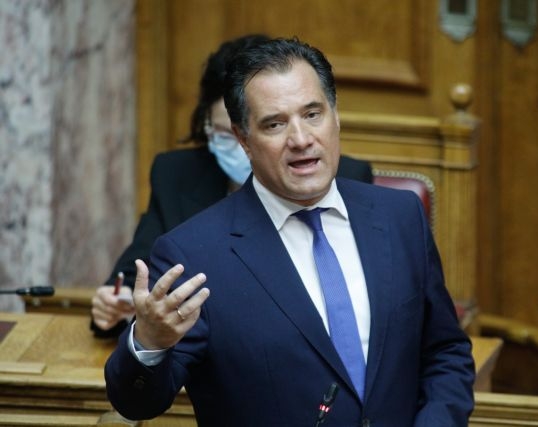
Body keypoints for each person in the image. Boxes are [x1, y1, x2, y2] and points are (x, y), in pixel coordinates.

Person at [104, 38, 475, 426]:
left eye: (312, 114)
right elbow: (137, 404)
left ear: (336, 116)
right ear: (244, 139)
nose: (300, 139)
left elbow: (445, 351)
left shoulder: (399, 216)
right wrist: (149, 343)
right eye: (275, 124)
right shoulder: (194, 253)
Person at [91, 35, 372, 337]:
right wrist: (119, 304)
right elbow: (137, 274)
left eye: (310, 115)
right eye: (228, 135)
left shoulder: (340, 175)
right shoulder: (176, 175)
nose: (243, 149)